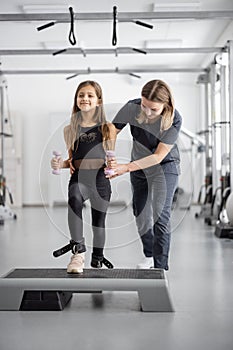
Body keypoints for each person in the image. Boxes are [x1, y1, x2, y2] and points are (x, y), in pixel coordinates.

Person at [107, 79, 182, 270]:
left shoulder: (174, 119)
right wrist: (111, 155)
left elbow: (157, 157)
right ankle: (149, 254)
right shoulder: (132, 108)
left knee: (160, 214)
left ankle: (160, 268)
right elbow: (112, 129)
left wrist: (125, 167)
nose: (147, 113)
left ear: (166, 106)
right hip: (139, 167)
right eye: (144, 106)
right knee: (140, 213)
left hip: (165, 166)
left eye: (153, 110)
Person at [51, 80, 116, 273]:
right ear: (76, 100)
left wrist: (113, 166)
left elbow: (111, 160)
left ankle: (97, 258)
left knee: (98, 223)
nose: (85, 99)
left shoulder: (107, 128)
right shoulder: (69, 130)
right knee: (74, 199)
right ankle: (78, 253)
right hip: (79, 178)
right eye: (81, 95)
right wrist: (58, 164)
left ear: (98, 100)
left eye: (90, 95)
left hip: (100, 180)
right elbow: (71, 162)